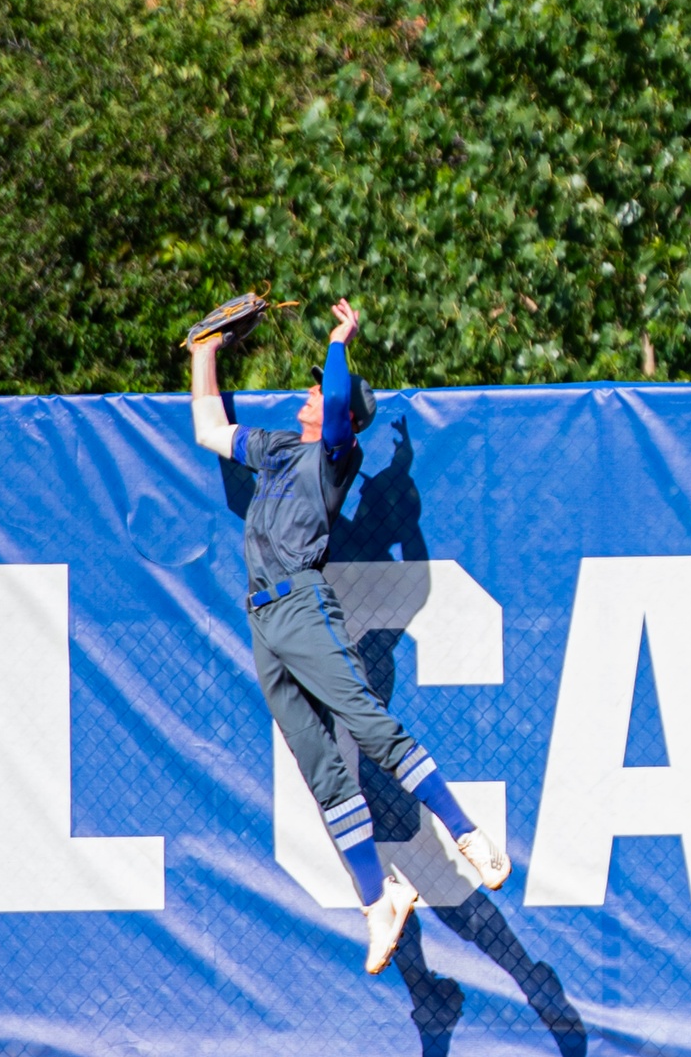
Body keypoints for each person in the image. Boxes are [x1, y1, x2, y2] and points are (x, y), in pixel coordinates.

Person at [190, 297, 510, 975]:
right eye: (313, 381)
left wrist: (342, 343)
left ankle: (467, 835)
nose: (310, 390)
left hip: (304, 605)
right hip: (264, 622)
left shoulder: (336, 456)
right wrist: (205, 354)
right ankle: (378, 900)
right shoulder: (278, 449)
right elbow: (210, 430)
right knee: (320, 767)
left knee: (368, 727)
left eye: (318, 385)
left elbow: (338, 404)